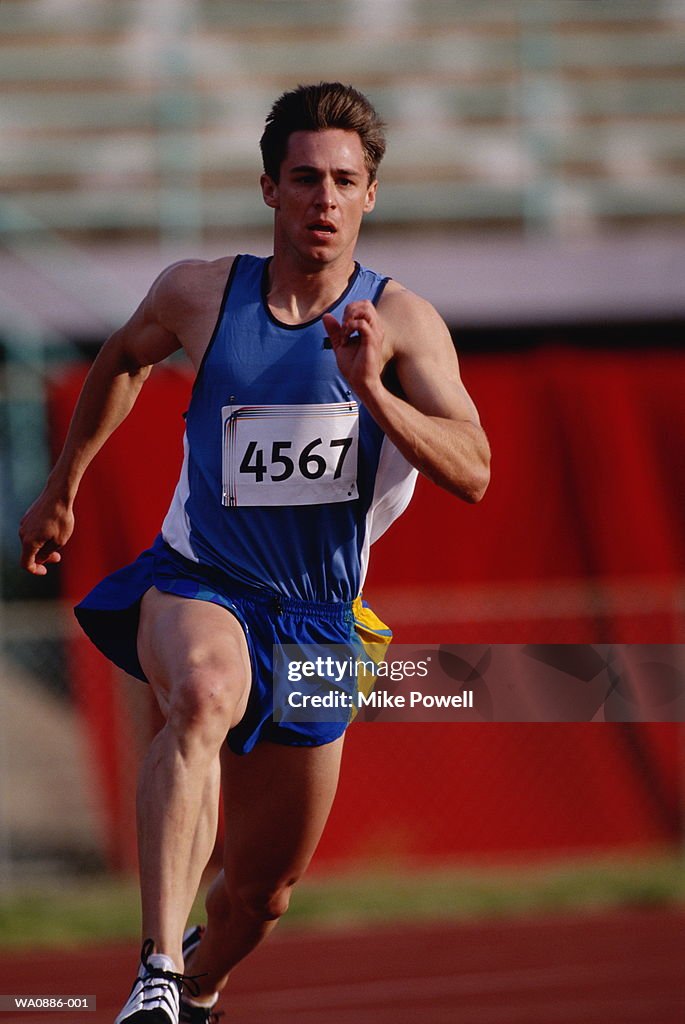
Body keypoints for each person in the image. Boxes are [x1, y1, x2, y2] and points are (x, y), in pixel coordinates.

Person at [19, 82, 490, 1024]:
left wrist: (375, 393)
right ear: (269, 189)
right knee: (198, 697)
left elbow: (473, 469)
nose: (324, 199)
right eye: (305, 178)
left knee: (256, 900)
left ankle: (194, 985)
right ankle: (155, 966)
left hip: (319, 622)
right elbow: (122, 358)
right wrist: (63, 486)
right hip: (203, 577)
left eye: (344, 182)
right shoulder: (200, 293)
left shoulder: (400, 323)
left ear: (369, 198)